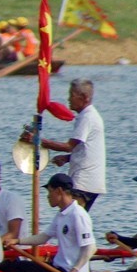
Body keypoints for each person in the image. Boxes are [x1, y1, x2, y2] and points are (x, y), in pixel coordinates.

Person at [1, 173, 95, 272]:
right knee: (20, 267)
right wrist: (16, 241)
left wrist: (75, 270)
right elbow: (44, 237)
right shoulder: (61, 214)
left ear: (59, 191)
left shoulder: (78, 214)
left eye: (50, 192)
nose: (48, 196)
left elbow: (91, 248)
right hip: (57, 269)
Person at [31, 78, 106, 210]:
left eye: (71, 95)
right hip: (87, 180)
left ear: (84, 97)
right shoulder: (86, 116)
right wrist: (66, 159)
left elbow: (69, 146)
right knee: (70, 217)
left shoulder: (87, 117)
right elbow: (86, 149)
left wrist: (38, 140)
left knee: (72, 217)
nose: (68, 99)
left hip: (84, 182)